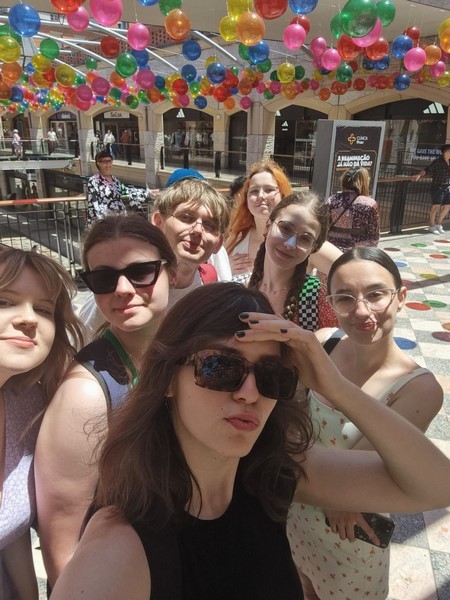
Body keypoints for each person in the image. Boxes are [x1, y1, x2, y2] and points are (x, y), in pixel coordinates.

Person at [50, 282, 450, 599]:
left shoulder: (269, 472)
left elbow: (436, 486)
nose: (249, 393)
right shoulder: (118, 550)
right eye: (221, 367)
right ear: (168, 378)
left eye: (272, 375)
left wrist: (338, 388)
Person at [288, 247, 443, 600]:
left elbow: (356, 471)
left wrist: (325, 482)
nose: (361, 311)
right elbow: (289, 418)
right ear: (330, 302)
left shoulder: (419, 388)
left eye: (376, 295)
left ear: (401, 298)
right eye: (345, 298)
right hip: (297, 514)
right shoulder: (324, 343)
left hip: (348, 534)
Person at [35, 215, 177, 588]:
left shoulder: (184, 356)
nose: (123, 289)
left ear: (172, 272)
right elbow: (64, 548)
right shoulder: (84, 395)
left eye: (141, 272)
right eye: (104, 279)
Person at [0, 247, 83, 599]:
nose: (28, 319)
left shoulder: (27, 405)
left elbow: (11, 528)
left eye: (44, 309)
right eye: (4, 302)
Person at [78, 169, 231, 342]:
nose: (197, 230)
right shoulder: (119, 292)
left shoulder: (210, 293)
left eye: (210, 225)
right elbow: (81, 344)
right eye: (187, 218)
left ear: (218, 243)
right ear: (158, 221)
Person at [225, 160, 342, 287]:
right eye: (254, 191)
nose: (261, 196)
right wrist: (226, 268)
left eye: (269, 190)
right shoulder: (236, 239)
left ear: (283, 195)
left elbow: (351, 270)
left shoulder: (305, 244)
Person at [248, 192, 335, 331]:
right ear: (267, 227)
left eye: (305, 238)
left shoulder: (318, 299)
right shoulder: (236, 287)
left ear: (313, 248)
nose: (290, 244)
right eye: (286, 228)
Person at [326, 166, 380, 253]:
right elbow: (374, 235)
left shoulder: (332, 200)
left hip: (334, 249)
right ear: (364, 183)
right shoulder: (370, 204)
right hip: (358, 252)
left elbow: (325, 225)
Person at [415, 143, 450, 234]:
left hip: (447, 187)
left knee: (448, 206)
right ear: (445, 152)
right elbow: (427, 169)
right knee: (436, 206)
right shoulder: (437, 161)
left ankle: (438, 224)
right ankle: (431, 225)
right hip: (437, 187)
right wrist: (419, 174)